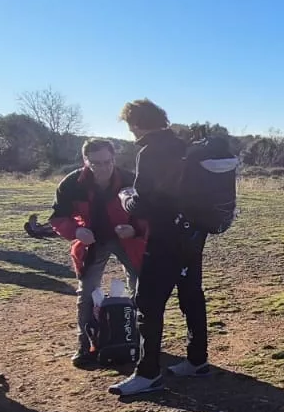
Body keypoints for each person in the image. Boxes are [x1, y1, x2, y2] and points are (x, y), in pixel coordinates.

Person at [108, 101, 213, 396]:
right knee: (191, 295)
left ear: (136, 124)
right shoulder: (186, 148)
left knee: (148, 304)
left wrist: (125, 198)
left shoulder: (151, 152)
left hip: (166, 237)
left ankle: (147, 372)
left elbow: (145, 203)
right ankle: (197, 359)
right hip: (193, 234)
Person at [48, 138, 147, 367]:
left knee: (141, 287)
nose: (102, 167)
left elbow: (149, 215)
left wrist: (135, 229)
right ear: (86, 161)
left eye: (106, 161)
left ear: (114, 158)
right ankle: (85, 345)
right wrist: (77, 230)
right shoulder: (72, 183)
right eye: (96, 163)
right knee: (87, 292)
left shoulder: (131, 180)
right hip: (91, 241)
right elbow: (58, 218)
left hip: (127, 239)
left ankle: (139, 341)